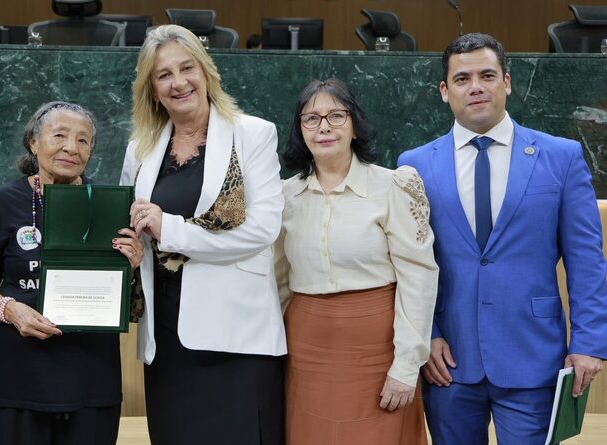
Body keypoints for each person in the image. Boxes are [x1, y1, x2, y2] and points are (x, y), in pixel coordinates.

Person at [398, 33, 607, 444]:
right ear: (444, 91)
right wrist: (428, 335)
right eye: (461, 79)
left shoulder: (561, 157)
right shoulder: (414, 165)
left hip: (533, 357)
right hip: (447, 362)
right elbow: (406, 265)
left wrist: (589, 342)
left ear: (507, 82)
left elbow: (587, 261)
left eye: (487, 75)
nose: (475, 86)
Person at [120, 24, 286, 445]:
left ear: (206, 72)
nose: (178, 83)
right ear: (151, 88)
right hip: (167, 338)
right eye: (164, 75)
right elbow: (133, 225)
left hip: (237, 339)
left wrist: (169, 228)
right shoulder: (140, 146)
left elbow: (262, 230)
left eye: (186, 68)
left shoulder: (253, 134)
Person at [0, 101, 143, 445]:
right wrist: (10, 310)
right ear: (34, 142)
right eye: (59, 135)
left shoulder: (111, 204)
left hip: (91, 378)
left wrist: (133, 268)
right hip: (18, 375)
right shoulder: (3, 201)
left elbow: (128, 299)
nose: (70, 147)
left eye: (83, 140)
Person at [275, 78, 438, 444]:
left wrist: (407, 366)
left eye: (336, 115)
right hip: (306, 351)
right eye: (311, 119)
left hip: (377, 351)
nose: (324, 127)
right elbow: (279, 281)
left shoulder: (394, 185)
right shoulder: (284, 196)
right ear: (300, 130)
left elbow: (419, 279)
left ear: (354, 124)